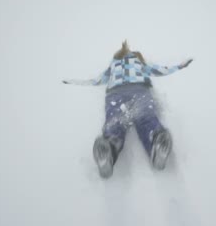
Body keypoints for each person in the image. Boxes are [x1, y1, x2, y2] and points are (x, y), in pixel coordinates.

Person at [63, 41, 193, 178]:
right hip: (139, 90)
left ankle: (109, 147)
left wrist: (75, 82)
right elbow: (160, 70)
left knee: (115, 121)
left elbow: (97, 80)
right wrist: (180, 66)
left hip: (116, 93)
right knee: (146, 118)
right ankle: (156, 140)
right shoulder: (140, 63)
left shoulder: (113, 65)